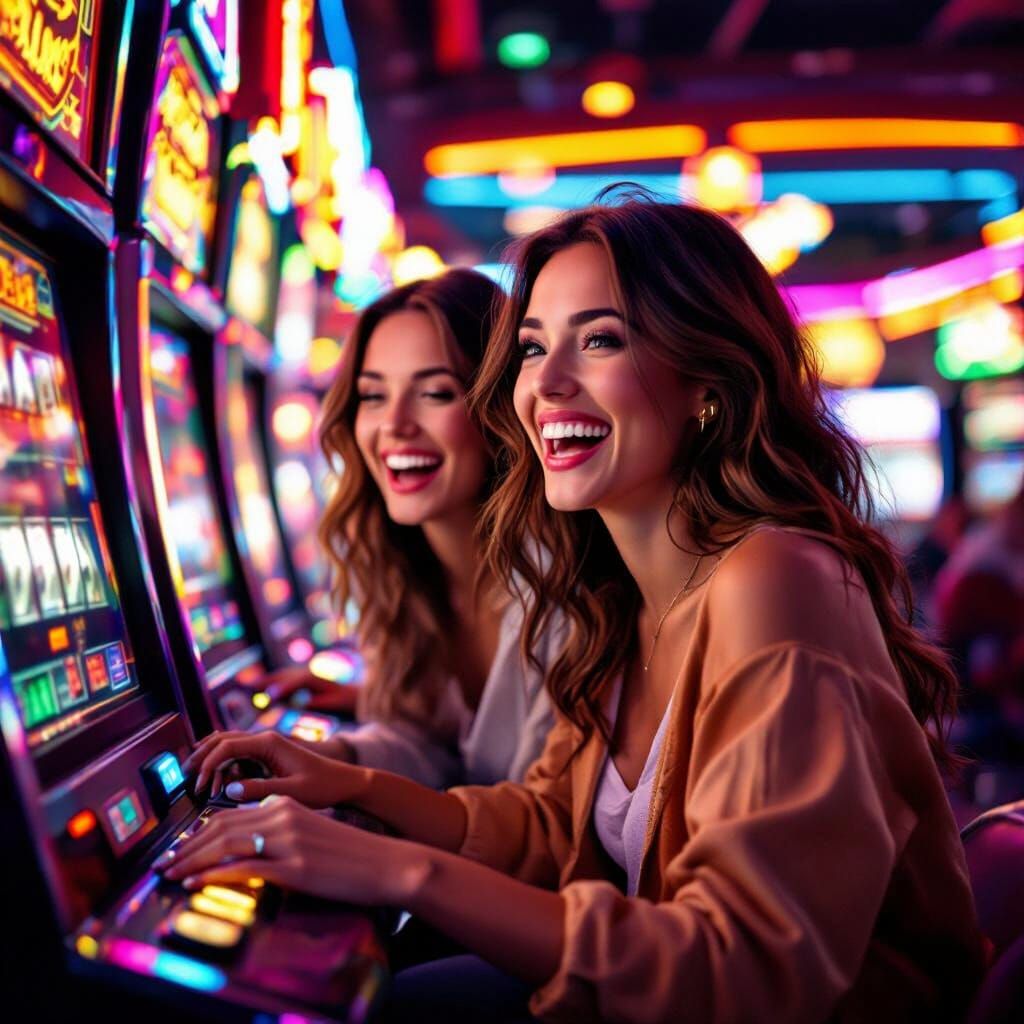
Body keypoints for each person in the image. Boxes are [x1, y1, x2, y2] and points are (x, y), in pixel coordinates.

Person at [166, 195, 985, 1023]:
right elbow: (550, 826)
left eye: (600, 340)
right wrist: (351, 784)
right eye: (530, 349)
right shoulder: (625, 595)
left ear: (708, 377)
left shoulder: (775, 578)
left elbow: (748, 970)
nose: (546, 385)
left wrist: (393, 870)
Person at [205, 268, 559, 791]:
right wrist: (332, 752)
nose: (394, 424)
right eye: (373, 396)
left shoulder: (562, 590)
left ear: (500, 408)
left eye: (436, 393)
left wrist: (350, 785)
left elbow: (538, 829)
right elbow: (433, 751)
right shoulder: (402, 571)